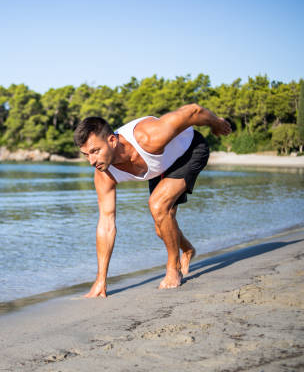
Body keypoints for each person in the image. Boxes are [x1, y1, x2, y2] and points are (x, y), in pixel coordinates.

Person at [73, 104, 232, 298]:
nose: (91, 160)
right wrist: (101, 279)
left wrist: (216, 124)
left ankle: (173, 268)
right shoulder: (103, 174)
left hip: (189, 150)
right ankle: (188, 250)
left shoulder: (149, 137)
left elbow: (193, 111)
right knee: (162, 229)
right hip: (160, 166)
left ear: (112, 140)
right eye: (86, 154)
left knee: (158, 205)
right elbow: (106, 224)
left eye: (95, 151)